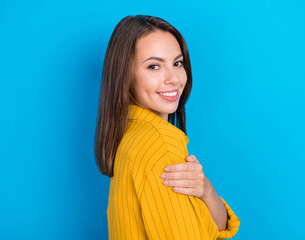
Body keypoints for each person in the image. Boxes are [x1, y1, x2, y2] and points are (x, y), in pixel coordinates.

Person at [95, 15, 240, 239]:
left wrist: (206, 190)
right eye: (154, 66)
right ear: (125, 75)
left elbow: (219, 228)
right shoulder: (160, 144)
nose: (173, 78)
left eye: (177, 63)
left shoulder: (131, 136)